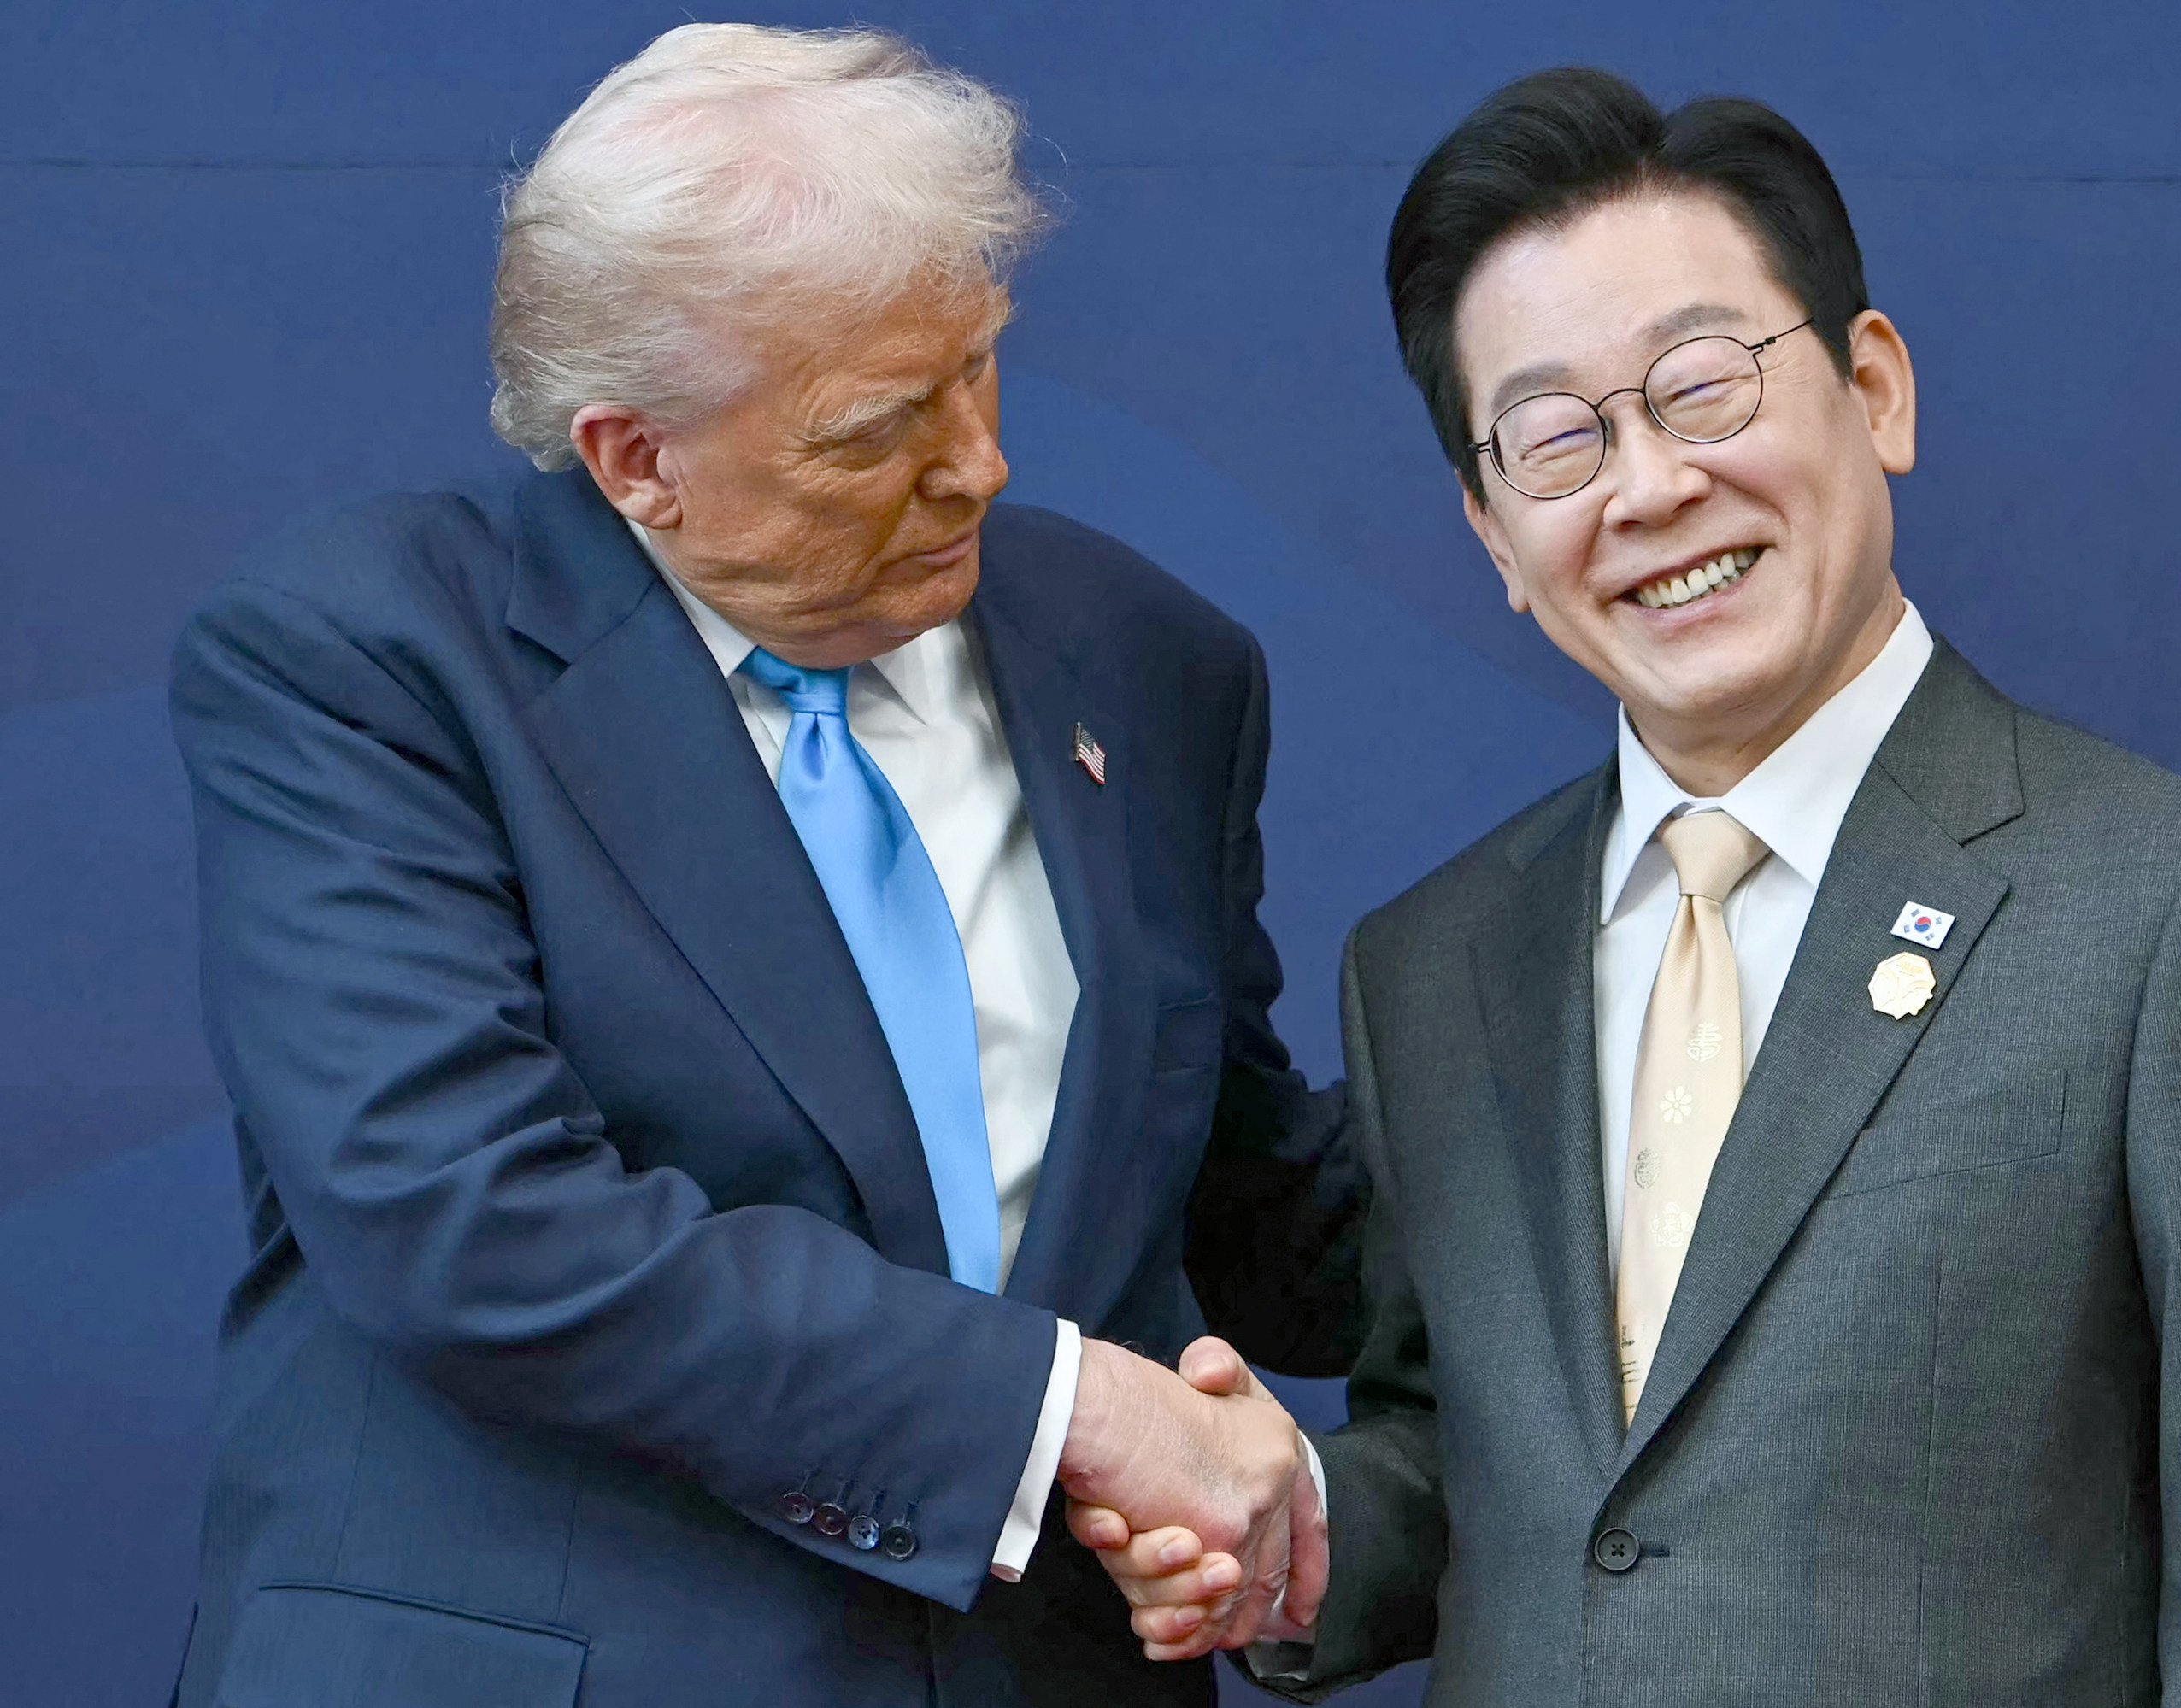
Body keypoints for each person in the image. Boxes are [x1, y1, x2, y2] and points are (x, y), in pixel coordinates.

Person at [1071, 70, 2181, 1703]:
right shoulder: (1437, 964)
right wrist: (1284, 1535)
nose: (1645, 488)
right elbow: (1496, 1468)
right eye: (1555, 437)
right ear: (1494, 534)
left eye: (1702, 387)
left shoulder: (2173, 905)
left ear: (1876, 390)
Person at [165, 24, 1354, 1707]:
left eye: (980, 366)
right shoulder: (367, 659)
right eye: (877, 429)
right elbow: (472, 1222)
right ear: (635, 458)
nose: (981, 464)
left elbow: (1224, 1193)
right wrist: (1069, 1410)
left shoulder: (1143, 656)